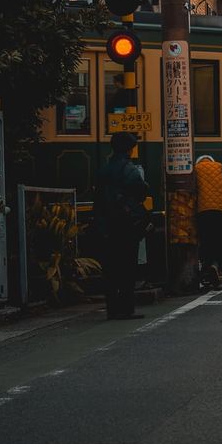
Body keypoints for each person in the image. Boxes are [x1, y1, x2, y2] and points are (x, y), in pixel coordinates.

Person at [92, 131, 150, 319]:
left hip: (107, 225)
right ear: (130, 149)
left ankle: (112, 309)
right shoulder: (130, 170)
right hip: (126, 225)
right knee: (127, 267)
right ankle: (126, 308)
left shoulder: (104, 170)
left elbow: (98, 199)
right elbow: (141, 193)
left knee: (110, 269)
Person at [195, 155, 222, 288]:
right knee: (221, 239)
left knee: (206, 239)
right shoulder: (219, 166)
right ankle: (217, 264)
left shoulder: (195, 169)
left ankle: (208, 265)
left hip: (204, 211)